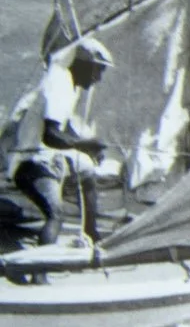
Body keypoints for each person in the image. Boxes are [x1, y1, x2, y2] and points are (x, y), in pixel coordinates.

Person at [0, 34, 114, 240]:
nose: (99, 78)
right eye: (98, 70)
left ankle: (91, 233)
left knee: (88, 172)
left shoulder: (71, 84)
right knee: (55, 216)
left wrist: (90, 149)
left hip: (48, 157)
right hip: (30, 161)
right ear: (84, 65)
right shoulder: (58, 83)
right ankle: (39, 271)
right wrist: (86, 144)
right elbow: (51, 136)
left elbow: (65, 128)